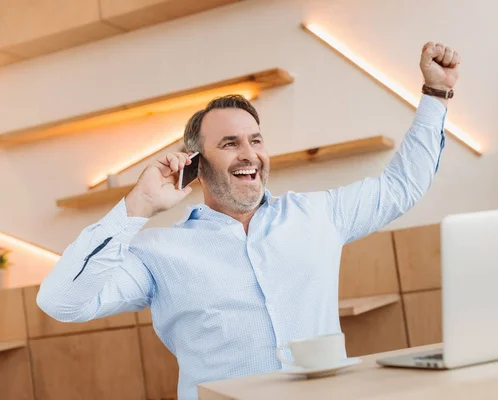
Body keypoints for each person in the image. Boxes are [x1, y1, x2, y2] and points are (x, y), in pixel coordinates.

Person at [37, 41, 460, 400]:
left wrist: (434, 95)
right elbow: (62, 303)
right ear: (197, 166)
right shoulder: (157, 253)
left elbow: (402, 185)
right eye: (229, 143)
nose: (249, 153)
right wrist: (139, 205)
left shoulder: (318, 215)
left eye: (255, 140)